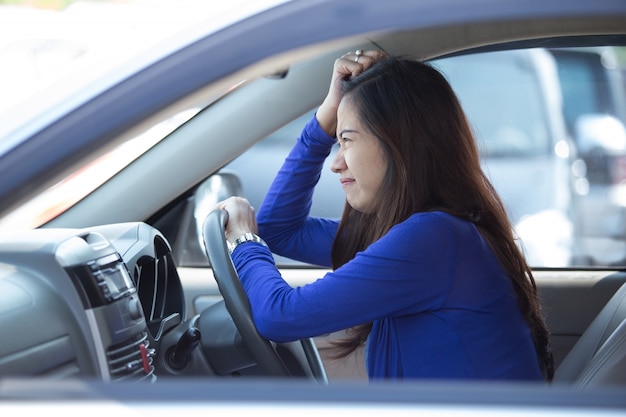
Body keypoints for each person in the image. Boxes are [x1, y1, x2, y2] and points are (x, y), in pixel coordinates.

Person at [216, 50, 554, 381]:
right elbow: (279, 230)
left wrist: (243, 241)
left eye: (346, 141)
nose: (335, 162)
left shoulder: (434, 239)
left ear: (399, 143)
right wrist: (325, 120)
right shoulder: (430, 232)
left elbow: (281, 317)